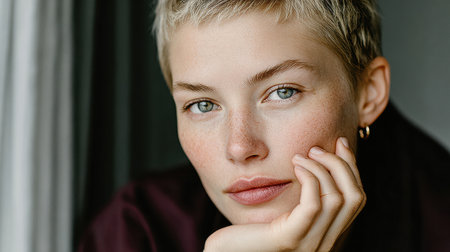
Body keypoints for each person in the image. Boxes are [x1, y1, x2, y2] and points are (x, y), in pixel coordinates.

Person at [78, 0, 450, 251]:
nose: (239, 147)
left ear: (368, 93)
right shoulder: (137, 230)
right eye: (203, 104)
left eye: (282, 92)